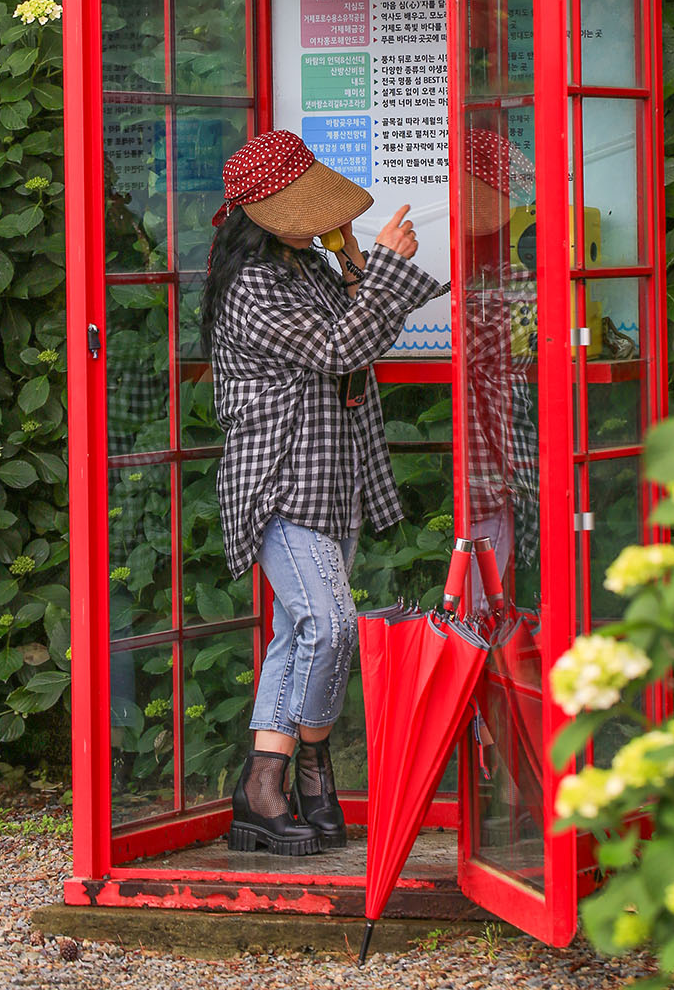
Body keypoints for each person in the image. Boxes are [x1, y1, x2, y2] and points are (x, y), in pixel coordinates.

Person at [201, 129, 441, 859]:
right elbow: (342, 349)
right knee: (331, 628)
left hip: (335, 476)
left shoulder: (305, 265)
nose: (320, 220)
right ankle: (293, 774)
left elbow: (359, 332)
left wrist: (359, 261)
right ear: (266, 214)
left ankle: (276, 788)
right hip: (279, 480)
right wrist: (386, 271)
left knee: (299, 632)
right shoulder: (252, 286)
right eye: (307, 211)